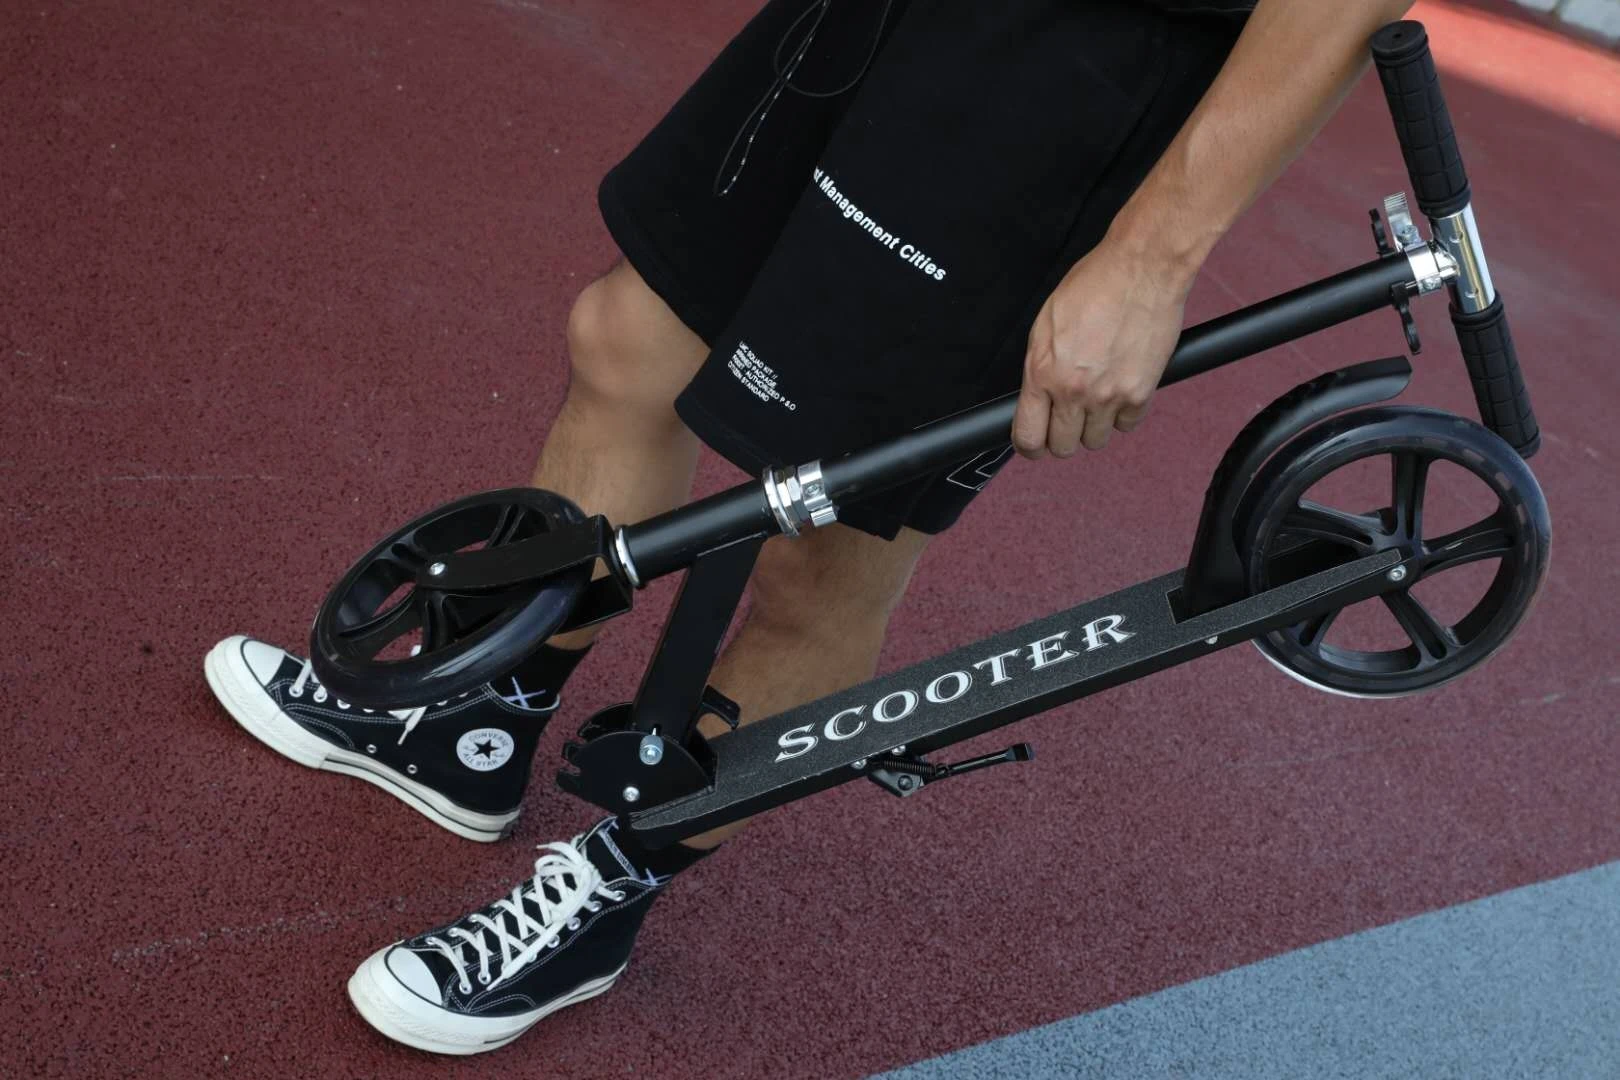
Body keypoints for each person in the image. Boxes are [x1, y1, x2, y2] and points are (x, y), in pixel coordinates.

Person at [204, 0, 1415, 1056]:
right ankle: (474, 723)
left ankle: (613, 888)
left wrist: (1148, 259)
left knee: (834, 543)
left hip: (1072, 80)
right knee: (630, 340)